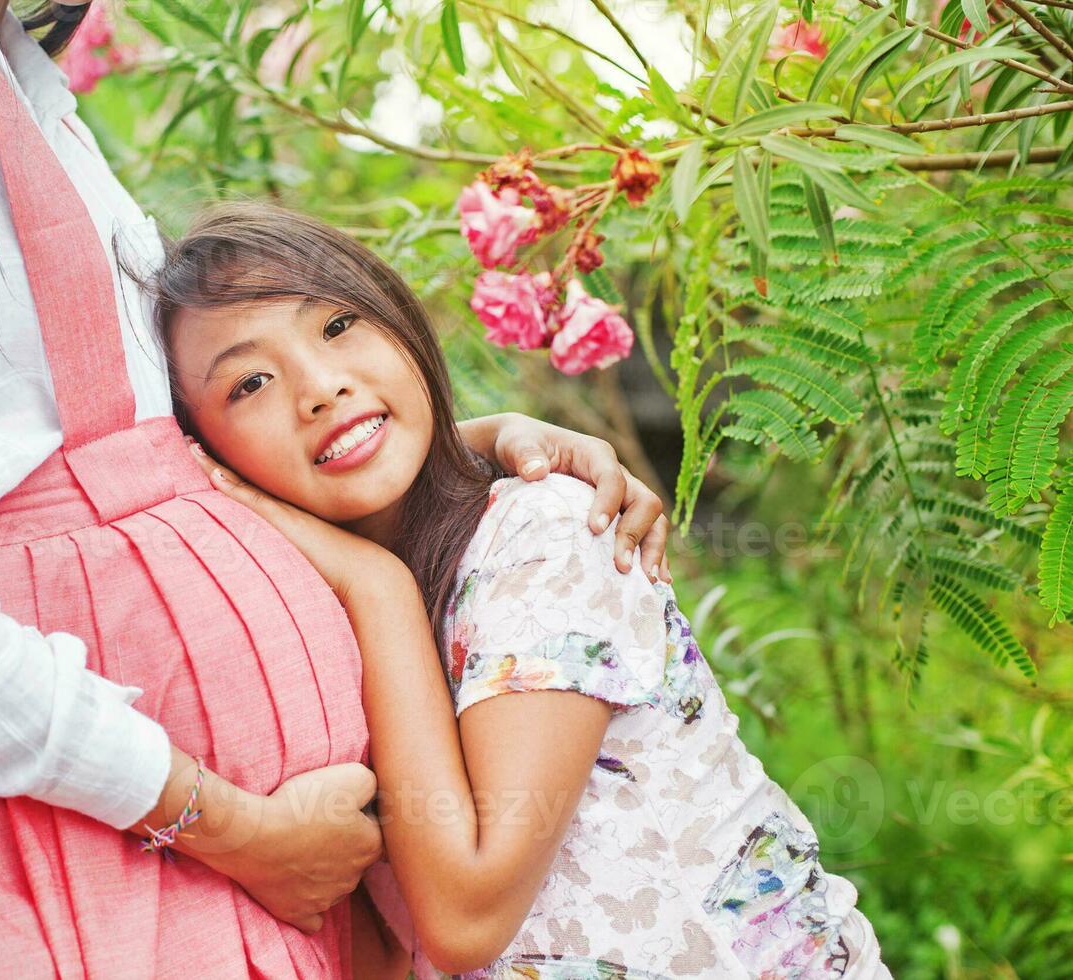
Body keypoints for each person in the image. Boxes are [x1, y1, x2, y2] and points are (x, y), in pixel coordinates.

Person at [0, 1, 672, 975]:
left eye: (338, 331)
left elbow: (136, 461)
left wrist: (469, 443)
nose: (317, 383)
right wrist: (224, 820)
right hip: (67, 861)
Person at [159, 202, 890, 980]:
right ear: (204, 453)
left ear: (399, 320)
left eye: (338, 326)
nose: (319, 387)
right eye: (250, 382)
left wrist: (380, 589)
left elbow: (463, 917)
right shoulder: (296, 622)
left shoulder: (543, 536)